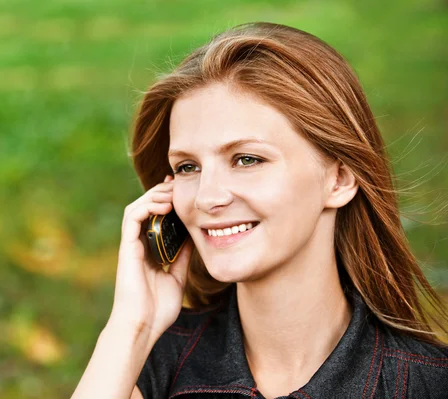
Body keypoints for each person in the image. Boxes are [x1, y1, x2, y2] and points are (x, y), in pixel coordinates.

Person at [71, 22, 448, 398]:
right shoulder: (148, 362)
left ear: (340, 180)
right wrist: (132, 326)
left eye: (246, 159)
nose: (206, 197)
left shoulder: (428, 383)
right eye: (188, 167)